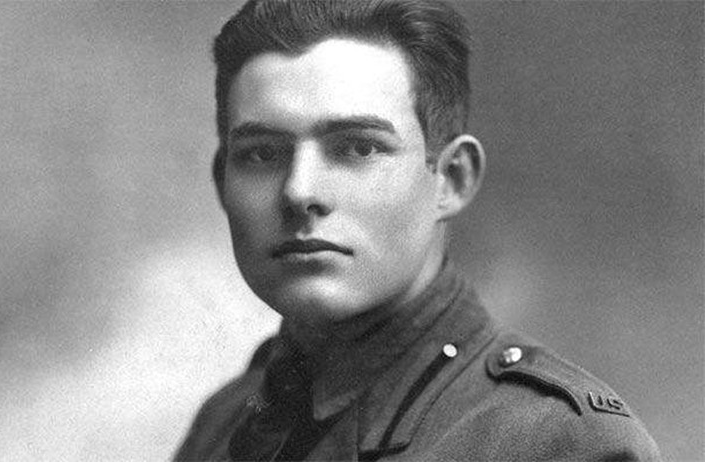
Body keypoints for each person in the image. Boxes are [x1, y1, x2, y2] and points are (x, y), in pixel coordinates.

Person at [175, 0, 661, 460]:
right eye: (261, 153)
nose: (299, 191)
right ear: (221, 181)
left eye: (358, 148)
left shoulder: (558, 444)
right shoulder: (226, 421)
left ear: (452, 179)